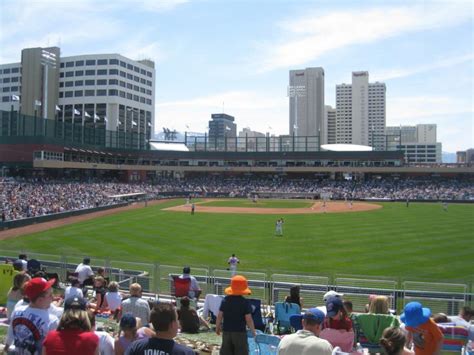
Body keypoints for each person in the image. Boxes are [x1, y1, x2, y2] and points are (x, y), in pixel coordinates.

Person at [6, 277, 59, 354]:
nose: (53, 297)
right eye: (50, 295)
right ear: (40, 299)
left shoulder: (17, 310)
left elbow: (10, 334)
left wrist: (6, 347)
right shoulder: (52, 320)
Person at [126, 303, 195, 354]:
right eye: (177, 320)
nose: (179, 323)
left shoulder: (136, 347)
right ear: (172, 324)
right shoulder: (185, 352)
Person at [216, 275, 256, 355]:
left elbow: (219, 315)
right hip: (239, 333)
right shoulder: (244, 302)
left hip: (227, 332)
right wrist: (253, 331)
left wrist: (217, 327)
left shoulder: (225, 300)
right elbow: (249, 319)